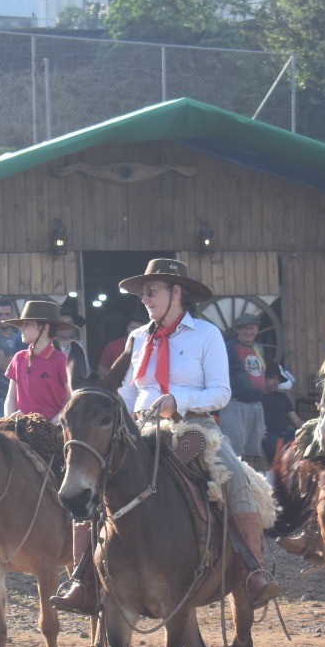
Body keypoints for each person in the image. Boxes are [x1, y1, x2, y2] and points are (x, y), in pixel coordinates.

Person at [52, 258, 280, 612]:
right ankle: (83, 582)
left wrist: (179, 400)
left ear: (177, 292)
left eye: (151, 292)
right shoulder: (137, 338)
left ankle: (252, 572)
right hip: (137, 429)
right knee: (92, 475)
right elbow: (127, 393)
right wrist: (113, 414)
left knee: (233, 475)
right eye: (143, 294)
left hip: (193, 428)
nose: (145, 299)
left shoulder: (206, 335)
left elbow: (221, 392)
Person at [1, 300, 71, 421]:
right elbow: (11, 398)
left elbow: (73, 398)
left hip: (53, 431)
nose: (21, 328)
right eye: (22, 324)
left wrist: (53, 423)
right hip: (20, 429)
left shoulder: (61, 360)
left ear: (45, 328)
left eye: (27, 324)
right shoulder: (18, 358)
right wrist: (9, 419)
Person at [221, 313, 267, 465]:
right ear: (238, 331)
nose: (249, 332)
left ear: (257, 329)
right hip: (235, 405)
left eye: (252, 328)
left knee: (253, 451)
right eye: (245, 329)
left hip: (256, 405)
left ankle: (252, 484)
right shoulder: (228, 348)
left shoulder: (259, 348)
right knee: (234, 451)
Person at [259, 365, 300, 465]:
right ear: (263, 378)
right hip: (268, 436)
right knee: (278, 447)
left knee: (304, 442)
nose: (275, 382)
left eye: (277, 379)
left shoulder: (282, 397)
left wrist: (309, 431)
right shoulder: (257, 398)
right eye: (272, 378)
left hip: (287, 434)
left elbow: (296, 421)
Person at [57, 311, 90, 387]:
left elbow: (86, 370)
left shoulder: (80, 345)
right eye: (62, 322)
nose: (66, 325)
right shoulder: (49, 345)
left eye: (69, 322)